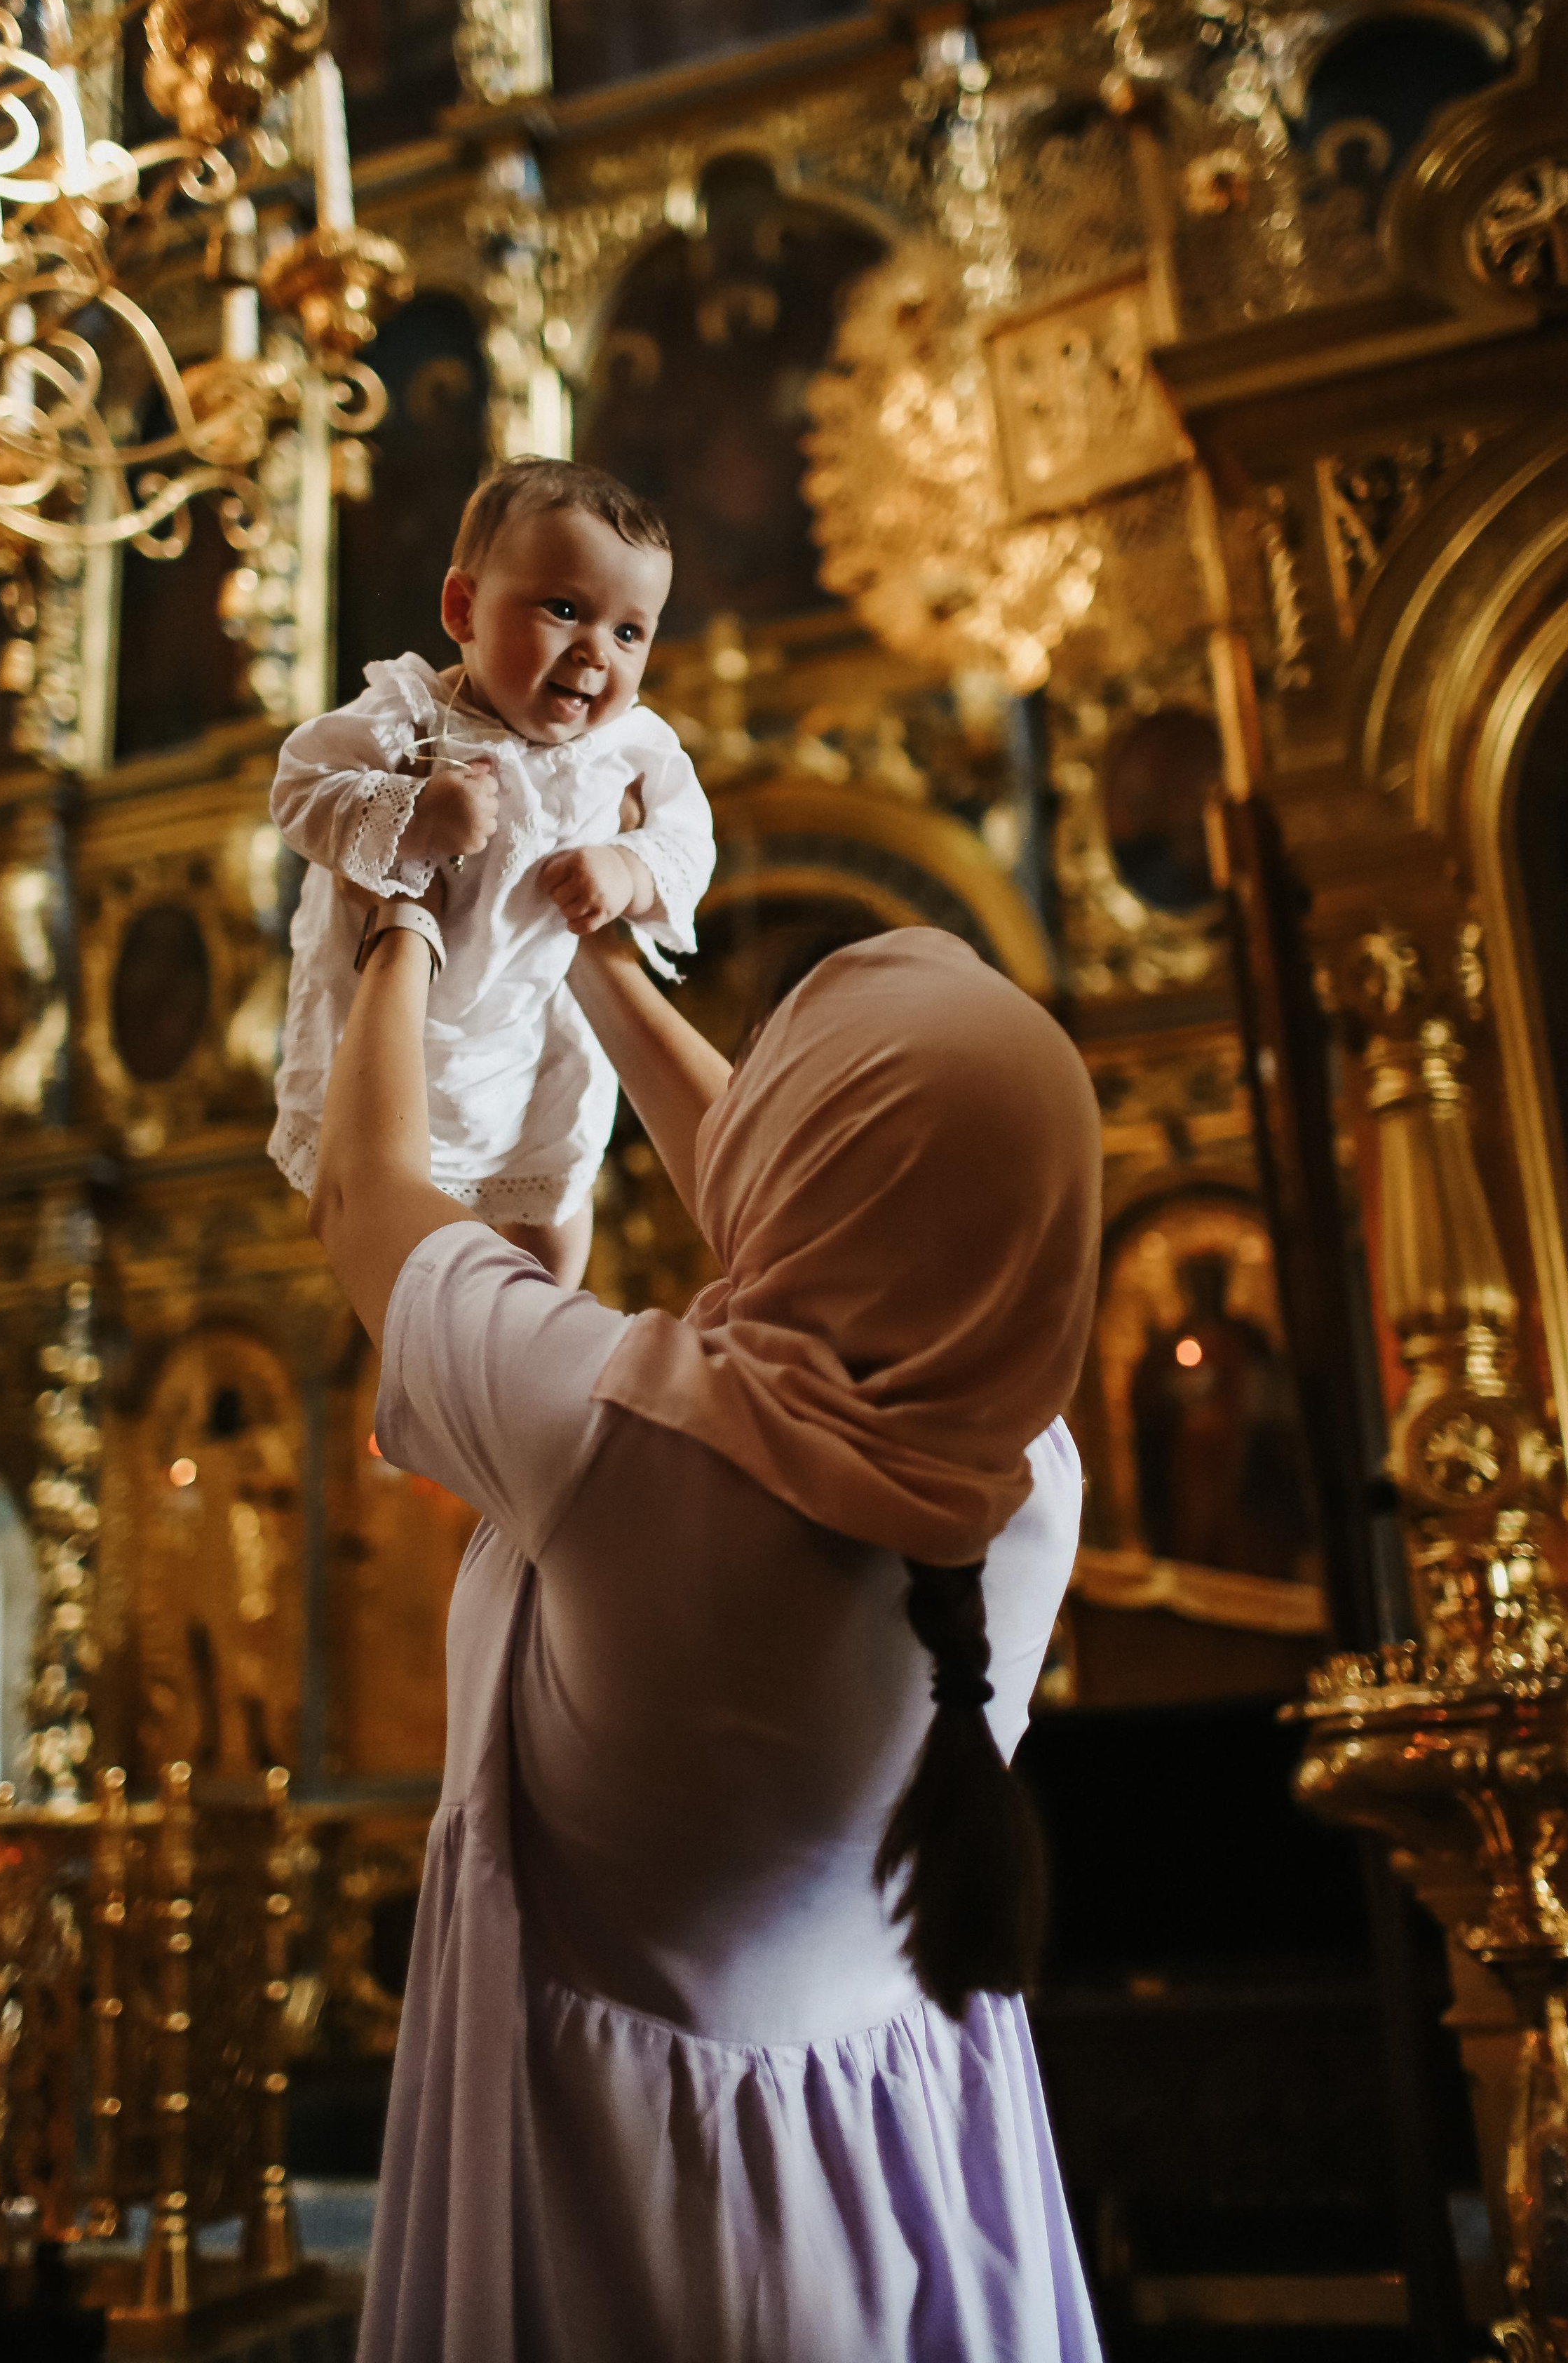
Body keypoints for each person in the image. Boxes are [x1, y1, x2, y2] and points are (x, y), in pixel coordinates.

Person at [310, 904, 1105, 2362]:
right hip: (910, 2180)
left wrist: (398, 926)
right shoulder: (1032, 1486)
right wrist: (590, 953)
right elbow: (825, 1205)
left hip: (628, 2202)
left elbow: (363, 1197)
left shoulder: (613, 1440)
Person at [268, 457, 715, 1283]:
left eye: (628, 632)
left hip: (535, 1029)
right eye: (565, 609)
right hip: (404, 1033)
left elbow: (691, 840)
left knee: (553, 1209)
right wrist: (413, 815)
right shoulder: (410, 714)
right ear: (462, 609)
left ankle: (543, 1330)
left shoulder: (631, 747)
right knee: (399, 1231)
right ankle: (446, 1367)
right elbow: (298, 789)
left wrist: (630, 867)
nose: (594, 653)